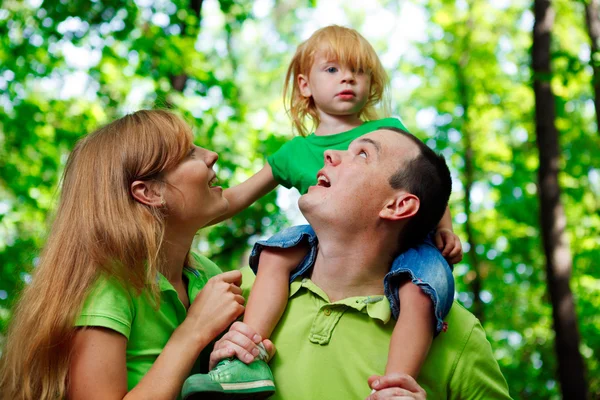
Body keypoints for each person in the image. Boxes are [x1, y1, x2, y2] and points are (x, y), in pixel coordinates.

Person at [192, 25, 463, 397]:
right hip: (325, 245)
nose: (348, 78)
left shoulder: (388, 133)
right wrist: (179, 214)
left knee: (428, 282)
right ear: (305, 85)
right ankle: (246, 355)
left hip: (405, 244)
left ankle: (395, 385)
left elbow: (427, 182)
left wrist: (443, 228)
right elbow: (235, 198)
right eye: (333, 69)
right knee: (275, 252)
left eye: (359, 71)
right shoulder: (294, 152)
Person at [185, 128, 512, 399]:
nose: (330, 154)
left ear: (398, 206)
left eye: (363, 154)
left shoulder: (456, 332)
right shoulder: (233, 295)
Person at [0, 110, 247, 400]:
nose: (211, 155)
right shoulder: (108, 287)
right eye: (189, 154)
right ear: (149, 192)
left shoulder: (205, 274)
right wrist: (194, 330)